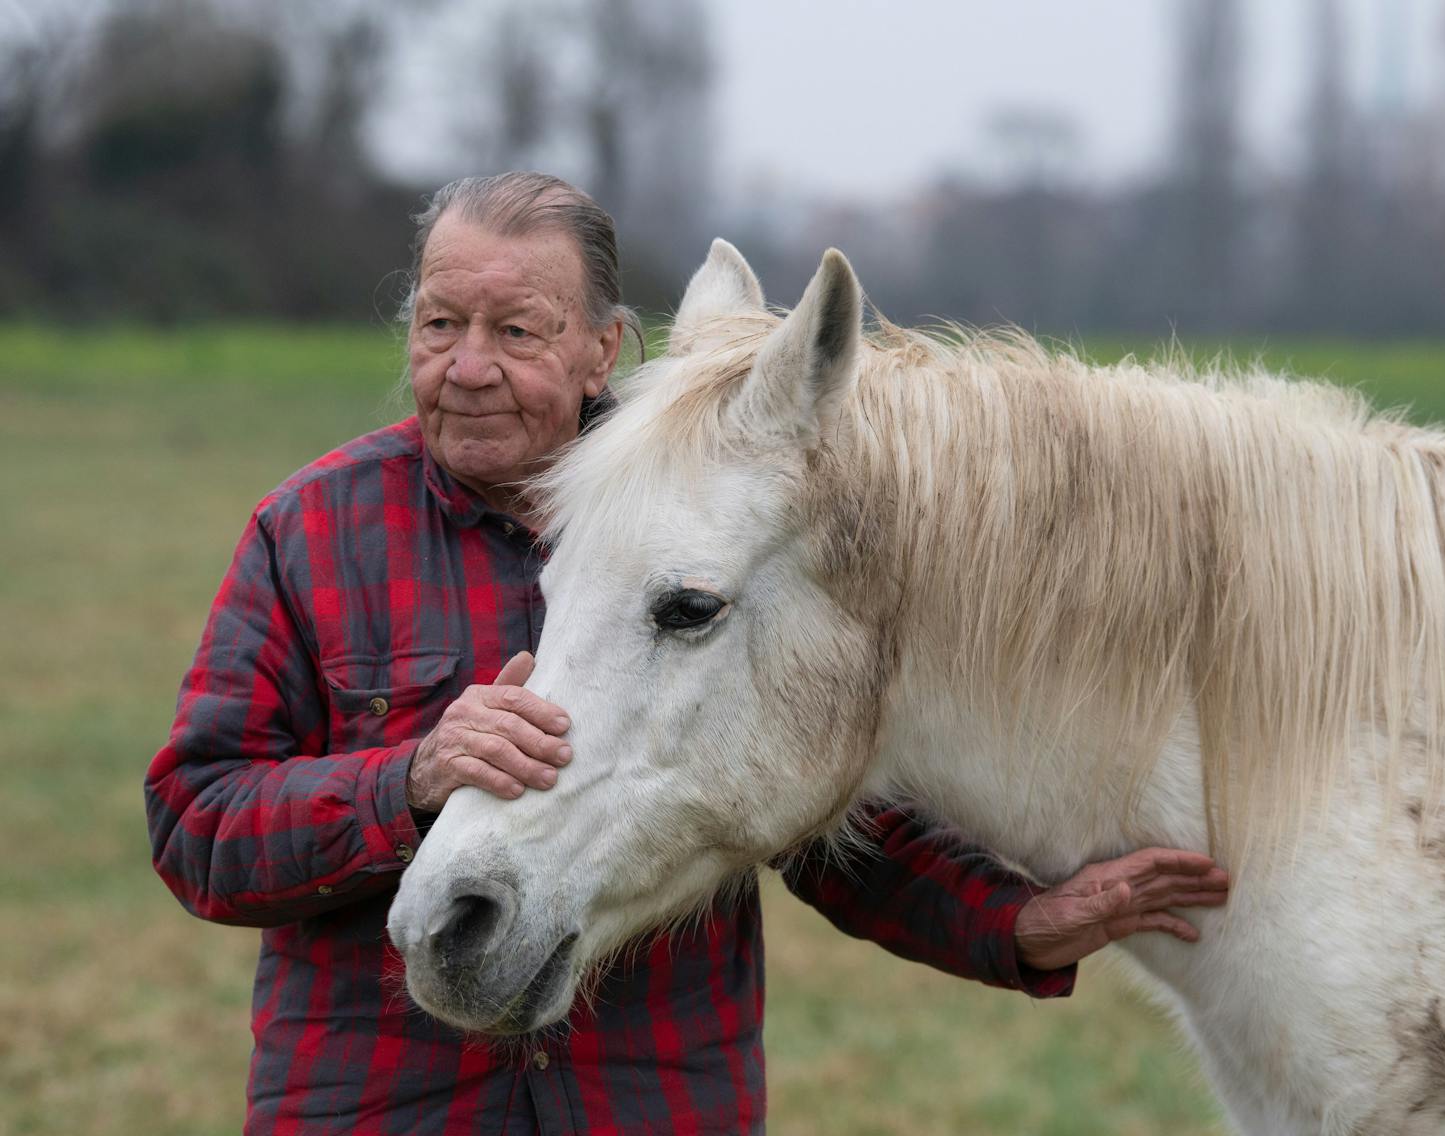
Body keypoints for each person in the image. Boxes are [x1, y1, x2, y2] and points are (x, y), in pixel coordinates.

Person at [145, 171, 1229, 1134]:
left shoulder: (705, 538)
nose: (467, 366)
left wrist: (1013, 924)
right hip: (375, 1101)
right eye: (437, 324)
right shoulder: (311, 531)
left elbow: (803, 785)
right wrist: (411, 778)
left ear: (601, 350)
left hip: (649, 1100)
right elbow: (198, 823)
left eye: (515, 332)